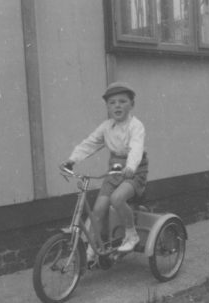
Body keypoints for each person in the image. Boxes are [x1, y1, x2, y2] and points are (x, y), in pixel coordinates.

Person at [61, 82, 149, 263]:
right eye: (112, 102)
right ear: (107, 107)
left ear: (132, 105)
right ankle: (93, 248)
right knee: (98, 210)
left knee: (117, 199)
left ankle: (131, 235)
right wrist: (72, 160)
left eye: (123, 101)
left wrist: (131, 167)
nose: (117, 105)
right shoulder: (106, 127)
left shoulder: (136, 126)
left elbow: (136, 148)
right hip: (114, 171)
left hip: (135, 171)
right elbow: (90, 143)